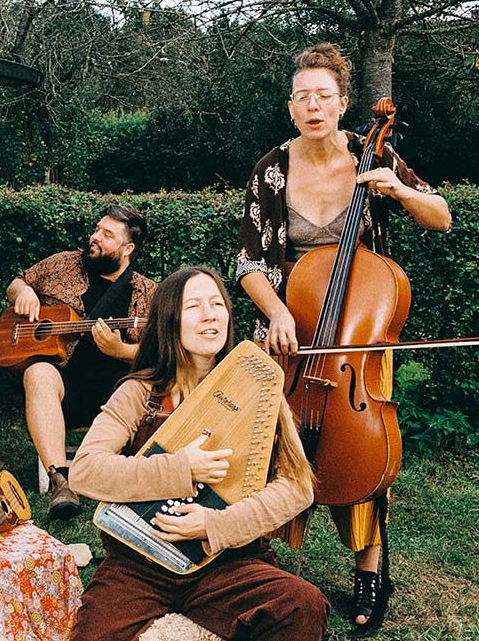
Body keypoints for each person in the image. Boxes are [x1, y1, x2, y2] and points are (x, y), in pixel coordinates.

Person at [235, 42, 451, 635]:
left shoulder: (373, 155)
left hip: (356, 332)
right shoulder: (271, 169)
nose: (312, 106)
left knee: (358, 447)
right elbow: (248, 262)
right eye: (302, 96)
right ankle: (260, 565)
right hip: (290, 328)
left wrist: (401, 191)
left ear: (342, 103)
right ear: (290, 106)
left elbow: (441, 216)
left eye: (323, 96)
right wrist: (278, 312)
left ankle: (370, 571)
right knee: (270, 446)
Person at [69, 266, 329, 640]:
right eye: (193, 306)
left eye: (217, 304)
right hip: (139, 563)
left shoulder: (259, 390)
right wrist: (182, 469)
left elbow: (297, 487)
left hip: (226, 564)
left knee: (303, 605)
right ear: (169, 321)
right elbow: (85, 471)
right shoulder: (141, 393)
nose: (210, 315)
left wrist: (215, 525)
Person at [6, 205, 156, 519]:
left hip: (118, 397)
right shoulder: (63, 264)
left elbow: (159, 351)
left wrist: (121, 351)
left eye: (107, 234)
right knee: (37, 373)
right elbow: (17, 282)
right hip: (64, 391)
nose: (95, 237)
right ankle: (61, 481)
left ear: (128, 249)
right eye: (97, 229)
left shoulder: (146, 292)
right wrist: (24, 292)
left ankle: (126, 476)